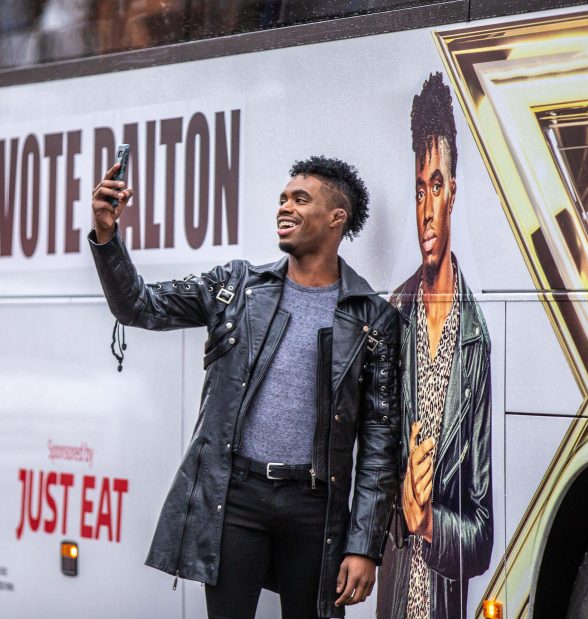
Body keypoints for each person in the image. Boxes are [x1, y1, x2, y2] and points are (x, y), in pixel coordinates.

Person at [89, 155, 401, 618]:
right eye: (282, 198)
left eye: (300, 199)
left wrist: (364, 545)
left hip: (315, 507)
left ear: (337, 217)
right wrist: (108, 237)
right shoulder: (235, 286)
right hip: (235, 500)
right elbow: (140, 307)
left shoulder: (372, 317)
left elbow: (381, 440)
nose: (285, 207)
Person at [376, 72, 493, 619]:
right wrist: (399, 508)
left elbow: (483, 533)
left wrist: (427, 521)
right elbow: (367, 464)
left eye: (437, 184)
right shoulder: (392, 315)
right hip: (393, 599)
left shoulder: (475, 340)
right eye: (418, 187)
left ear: (454, 192)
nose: (426, 206)